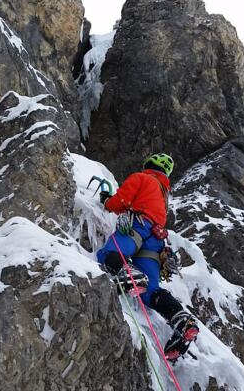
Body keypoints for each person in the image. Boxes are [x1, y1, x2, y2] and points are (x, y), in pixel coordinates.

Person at [95, 153, 199, 360]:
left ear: (148, 165)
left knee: (109, 254)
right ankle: (181, 319)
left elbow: (120, 202)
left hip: (137, 227)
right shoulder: (163, 194)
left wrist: (107, 201)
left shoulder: (142, 177)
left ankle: (130, 273)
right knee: (149, 291)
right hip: (156, 241)